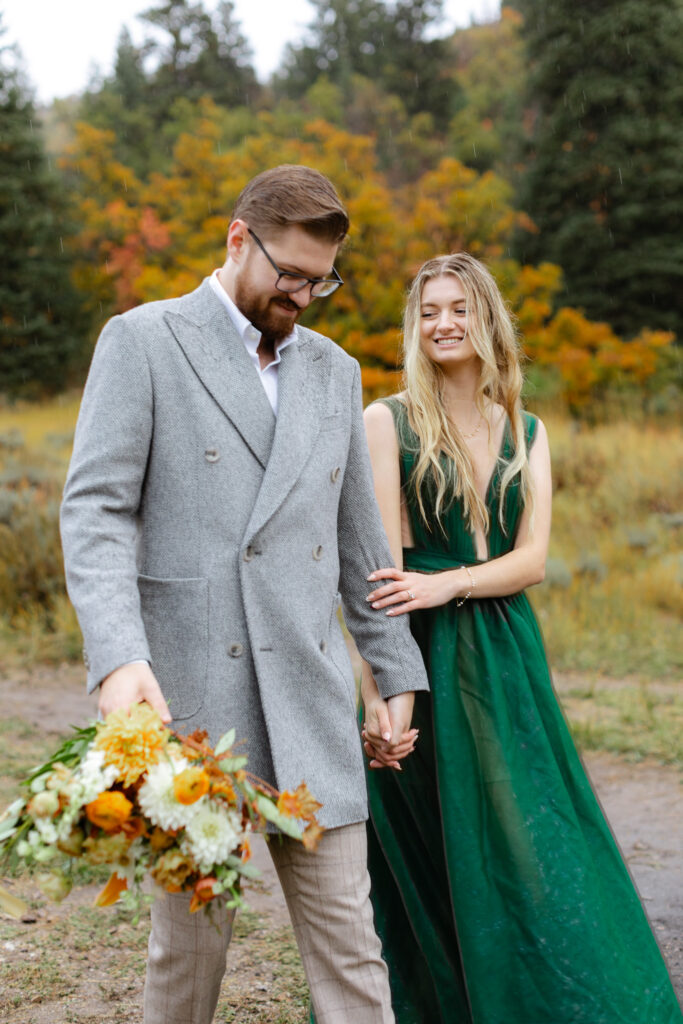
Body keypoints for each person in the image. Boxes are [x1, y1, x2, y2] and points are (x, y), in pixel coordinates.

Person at [60, 164, 429, 1024]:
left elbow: (358, 541)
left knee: (352, 950)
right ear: (237, 240)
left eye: (320, 281)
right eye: (289, 275)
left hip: (308, 694)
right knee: (188, 956)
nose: (302, 295)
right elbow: (97, 510)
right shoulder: (143, 340)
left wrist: (391, 668)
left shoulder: (335, 372)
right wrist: (119, 658)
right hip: (193, 703)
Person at [359, 253, 682, 1023]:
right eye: (429, 310)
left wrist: (452, 581)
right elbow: (379, 576)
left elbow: (531, 560)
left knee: (527, 825)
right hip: (421, 649)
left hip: (504, 651)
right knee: (430, 835)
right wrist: (382, 691)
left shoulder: (524, 428)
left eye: (459, 308)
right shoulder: (386, 421)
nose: (443, 323)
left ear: (487, 320)